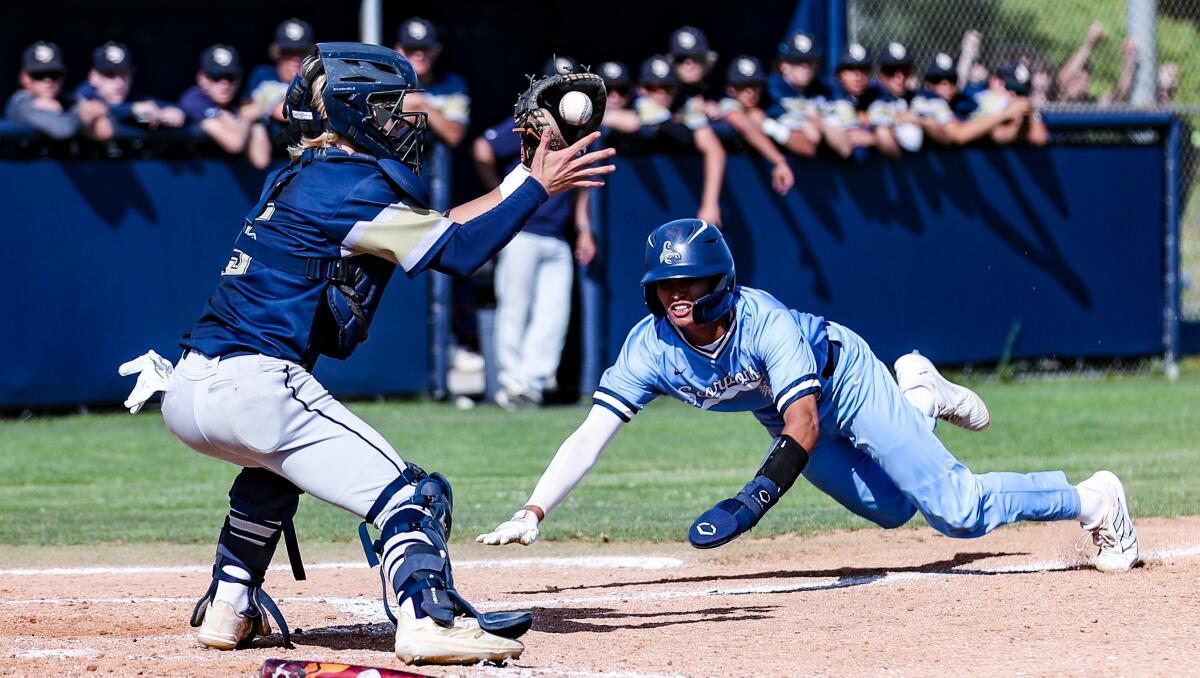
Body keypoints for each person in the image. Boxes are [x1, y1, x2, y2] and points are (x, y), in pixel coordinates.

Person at [119, 42, 614, 665]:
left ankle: (229, 602)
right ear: (355, 113)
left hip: (189, 389)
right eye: (390, 109)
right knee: (415, 496)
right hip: (256, 388)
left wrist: (522, 182)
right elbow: (461, 254)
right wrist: (538, 189)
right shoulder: (352, 184)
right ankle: (426, 619)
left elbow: (444, 227)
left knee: (273, 473)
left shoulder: (308, 176)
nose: (404, 121)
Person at [476, 219, 1141, 578]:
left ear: (721, 281)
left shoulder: (762, 321)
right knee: (888, 511)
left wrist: (752, 499)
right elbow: (591, 433)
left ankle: (1094, 498)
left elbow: (804, 421)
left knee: (955, 512)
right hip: (784, 411)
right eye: (664, 284)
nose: (676, 294)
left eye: (691, 280)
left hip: (842, 378)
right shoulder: (649, 347)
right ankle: (921, 402)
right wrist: (534, 510)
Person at [472, 56, 595, 408]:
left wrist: (583, 228)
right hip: (521, 229)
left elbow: (583, 181)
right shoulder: (531, 122)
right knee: (515, 307)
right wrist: (502, 197)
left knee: (553, 315)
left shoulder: (581, 126)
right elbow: (483, 148)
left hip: (557, 233)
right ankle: (512, 385)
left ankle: (534, 386)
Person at [633, 54, 725, 225]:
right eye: (653, 87)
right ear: (641, 89)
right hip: (632, 201)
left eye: (667, 87)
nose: (661, 93)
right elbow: (679, 134)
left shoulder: (683, 104)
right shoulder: (637, 103)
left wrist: (710, 203)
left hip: (673, 203)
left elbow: (713, 147)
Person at [711, 55, 794, 194]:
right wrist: (779, 161)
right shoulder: (727, 106)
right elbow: (741, 122)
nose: (750, 92)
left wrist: (766, 124)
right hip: (729, 188)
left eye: (755, 85)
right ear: (731, 89)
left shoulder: (769, 109)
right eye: (742, 86)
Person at [178, 44, 272, 162]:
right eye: (216, 77)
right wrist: (246, 118)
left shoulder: (240, 102)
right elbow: (234, 143)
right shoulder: (194, 98)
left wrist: (250, 120)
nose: (224, 84)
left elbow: (261, 160)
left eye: (230, 77)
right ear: (202, 78)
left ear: (239, 78)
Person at [244, 18, 317, 163]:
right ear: (277, 52)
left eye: (302, 52)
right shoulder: (263, 75)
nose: (295, 59)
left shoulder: (318, 79)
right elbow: (284, 111)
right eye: (288, 52)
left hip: (312, 161)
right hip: (274, 163)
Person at [912, 52, 1024, 146]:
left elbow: (1000, 135)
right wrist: (1005, 114)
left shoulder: (964, 99)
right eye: (937, 80)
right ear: (927, 83)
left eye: (951, 80)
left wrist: (1019, 110)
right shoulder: (924, 101)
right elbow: (959, 135)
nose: (946, 86)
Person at [5, 41, 109, 140]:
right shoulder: (21, 103)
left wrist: (94, 116)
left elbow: (107, 129)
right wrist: (84, 117)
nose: (48, 80)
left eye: (54, 74)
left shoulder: (67, 99)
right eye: (39, 75)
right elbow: (63, 130)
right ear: (25, 78)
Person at [393, 17, 471, 148]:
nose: (419, 54)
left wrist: (421, 105)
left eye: (425, 48)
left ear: (436, 49)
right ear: (398, 50)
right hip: (394, 161)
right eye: (411, 48)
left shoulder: (451, 84)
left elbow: (454, 135)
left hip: (433, 163)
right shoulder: (387, 82)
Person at [76, 42, 185, 132]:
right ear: (94, 77)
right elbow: (93, 110)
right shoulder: (84, 94)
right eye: (110, 75)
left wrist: (171, 112)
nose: (119, 82)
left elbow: (180, 110)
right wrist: (132, 109)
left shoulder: (131, 98)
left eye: (124, 74)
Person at [766, 29, 827, 157]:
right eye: (798, 61)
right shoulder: (770, 90)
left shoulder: (820, 89)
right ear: (784, 65)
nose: (806, 68)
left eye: (811, 62)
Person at [1057, 21, 1137, 105]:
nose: (1083, 87)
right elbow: (1063, 79)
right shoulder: (1054, 99)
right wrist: (1089, 44)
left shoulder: (1088, 103)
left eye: (1086, 81)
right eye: (1077, 79)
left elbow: (1120, 95)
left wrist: (1129, 60)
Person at [820, 43, 877, 159]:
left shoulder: (876, 96)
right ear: (840, 75)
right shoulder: (828, 95)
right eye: (851, 69)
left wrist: (873, 139)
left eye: (863, 69)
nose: (858, 76)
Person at [974, 60, 1048, 146]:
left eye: (1019, 92)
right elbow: (999, 137)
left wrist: (1030, 114)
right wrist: (1012, 116)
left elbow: (1040, 139)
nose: (1013, 95)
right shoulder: (983, 98)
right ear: (995, 81)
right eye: (1009, 88)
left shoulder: (1021, 105)